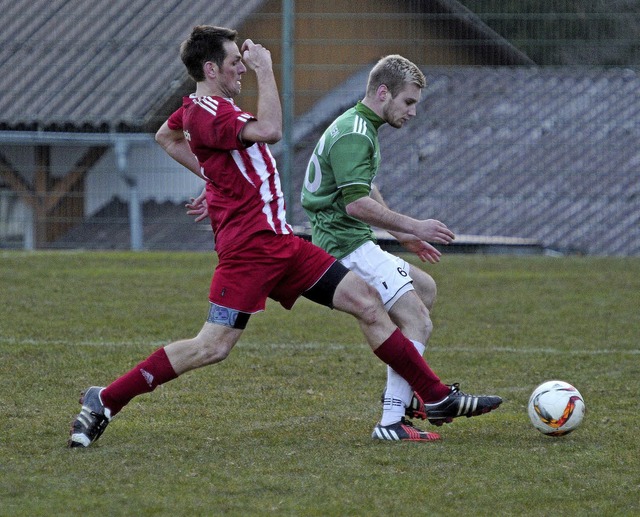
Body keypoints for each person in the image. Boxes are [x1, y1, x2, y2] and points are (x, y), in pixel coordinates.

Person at [68, 26, 499, 448]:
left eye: (244, 62)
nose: (242, 68)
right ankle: (104, 399)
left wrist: (217, 179)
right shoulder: (211, 111)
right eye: (235, 62)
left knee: (367, 302)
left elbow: (167, 135)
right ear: (211, 69)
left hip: (283, 244)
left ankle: (436, 396)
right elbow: (271, 130)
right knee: (211, 346)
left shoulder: (198, 109)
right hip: (249, 254)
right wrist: (266, 70)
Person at [300, 54, 502, 440]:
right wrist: (414, 225)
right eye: (408, 102)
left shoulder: (359, 125)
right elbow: (355, 203)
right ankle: (393, 419)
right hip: (347, 248)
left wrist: (403, 236)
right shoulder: (357, 133)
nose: (412, 112)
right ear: (382, 92)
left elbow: (361, 188)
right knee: (418, 320)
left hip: (350, 241)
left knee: (424, 289)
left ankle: (406, 396)